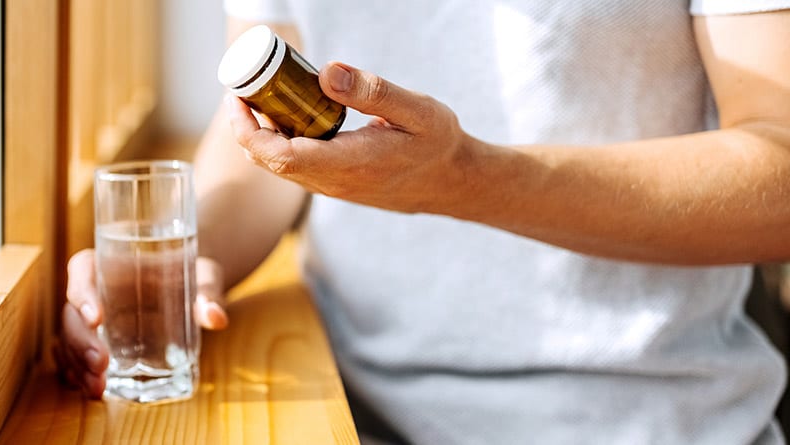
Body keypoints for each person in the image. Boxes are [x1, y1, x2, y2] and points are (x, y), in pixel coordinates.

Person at [59, 1, 790, 443]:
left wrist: (468, 180)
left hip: (639, 423)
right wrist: (181, 260)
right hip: (337, 405)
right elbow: (264, 136)